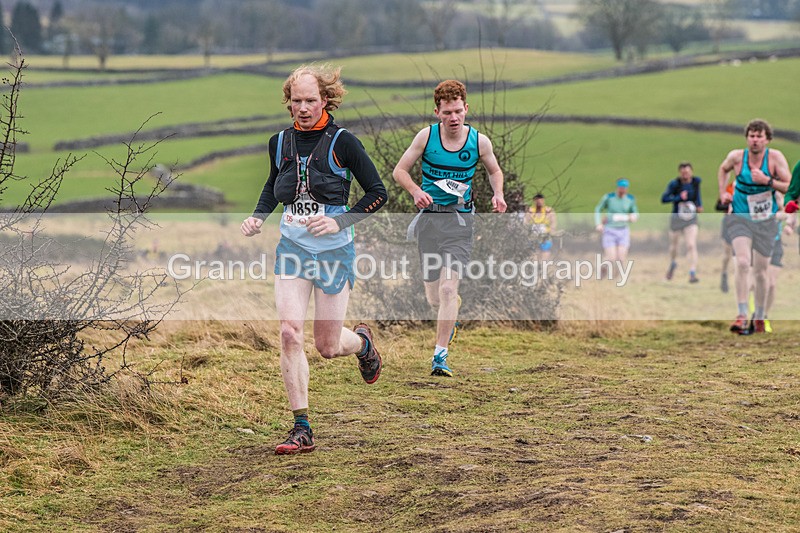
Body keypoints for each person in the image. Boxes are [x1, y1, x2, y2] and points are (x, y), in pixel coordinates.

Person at [241, 64, 388, 455]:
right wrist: (259, 215)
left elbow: (377, 192)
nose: (303, 107)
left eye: (310, 100)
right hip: (292, 249)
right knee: (289, 332)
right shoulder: (279, 142)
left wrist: (340, 222)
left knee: (326, 345)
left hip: (335, 252)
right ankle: (301, 427)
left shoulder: (344, 142)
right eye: (296, 101)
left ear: (326, 99)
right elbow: (274, 184)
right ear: (288, 103)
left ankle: (362, 345)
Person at [393, 79, 506, 378]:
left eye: (458, 111)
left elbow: (494, 170)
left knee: (447, 288)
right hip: (429, 221)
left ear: (467, 108)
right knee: (434, 297)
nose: (454, 118)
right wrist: (416, 191)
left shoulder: (479, 142)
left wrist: (498, 194)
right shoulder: (426, 137)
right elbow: (399, 171)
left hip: (459, 222)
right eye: (447, 113)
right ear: (437, 113)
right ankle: (450, 311)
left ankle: (439, 356)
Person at [717, 118, 791, 334]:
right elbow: (723, 169)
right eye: (752, 136)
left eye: (759, 136)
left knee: (760, 273)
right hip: (740, 217)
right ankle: (741, 314)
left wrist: (767, 181)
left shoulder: (775, 159)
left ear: (767, 139)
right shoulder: (737, 157)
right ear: (747, 138)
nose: (755, 140)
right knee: (741, 262)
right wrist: (723, 191)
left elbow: (789, 187)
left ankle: (759, 316)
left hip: (766, 222)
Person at [661, 162, 703, 283]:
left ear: (692, 172)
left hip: (691, 218)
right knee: (674, 246)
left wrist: (699, 205)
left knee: (691, 245)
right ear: (680, 173)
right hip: (677, 218)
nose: (686, 175)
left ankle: (692, 272)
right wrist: (678, 197)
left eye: (688, 172)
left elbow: (697, 195)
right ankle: (673, 263)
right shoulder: (675, 184)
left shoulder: (696, 182)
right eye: (683, 173)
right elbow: (664, 199)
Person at [594, 178, 639, 279]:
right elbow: (598, 209)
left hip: (623, 230)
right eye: (621, 187)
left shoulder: (630, 199)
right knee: (611, 258)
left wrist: (634, 216)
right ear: (618, 187)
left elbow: (635, 211)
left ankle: (615, 279)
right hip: (610, 230)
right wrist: (598, 224)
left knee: (621, 258)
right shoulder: (609, 197)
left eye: (625, 188)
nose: (623, 190)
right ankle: (603, 270)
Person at [525, 193, 557, 260]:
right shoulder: (530, 211)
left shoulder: (548, 210)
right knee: (533, 252)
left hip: (545, 235)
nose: (539, 202)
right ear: (534, 201)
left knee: (545, 251)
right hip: (533, 235)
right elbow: (525, 222)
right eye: (537, 200)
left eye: (541, 200)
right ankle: (534, 267)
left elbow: (553, 222)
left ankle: (543, 266)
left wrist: (552, 232)